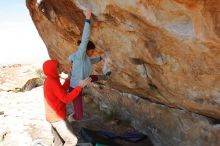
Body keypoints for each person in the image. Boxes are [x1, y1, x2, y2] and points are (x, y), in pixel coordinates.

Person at [68, 9, 110, 121]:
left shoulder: (86, 58)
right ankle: (71, 118)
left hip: (83, 82)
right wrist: (87, 18)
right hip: (74, 88)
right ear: (85, 50)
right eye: (91, 51)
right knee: (79, 116)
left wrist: (102, 57)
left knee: (92, 77)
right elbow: (85, 39)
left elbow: (93, 61)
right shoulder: (80, 55)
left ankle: (105, 77)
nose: (92, 54)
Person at [43, 59, 92, 146]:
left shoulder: (51, 79)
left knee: (59, 142)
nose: (60, 68)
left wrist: (69, 79)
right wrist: (80, 86)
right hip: (57, 118)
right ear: (52, 69)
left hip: (53, 117)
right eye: (58, 67)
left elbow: (61, 91)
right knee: (72, 140)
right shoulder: (52, 82)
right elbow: (66, 99)